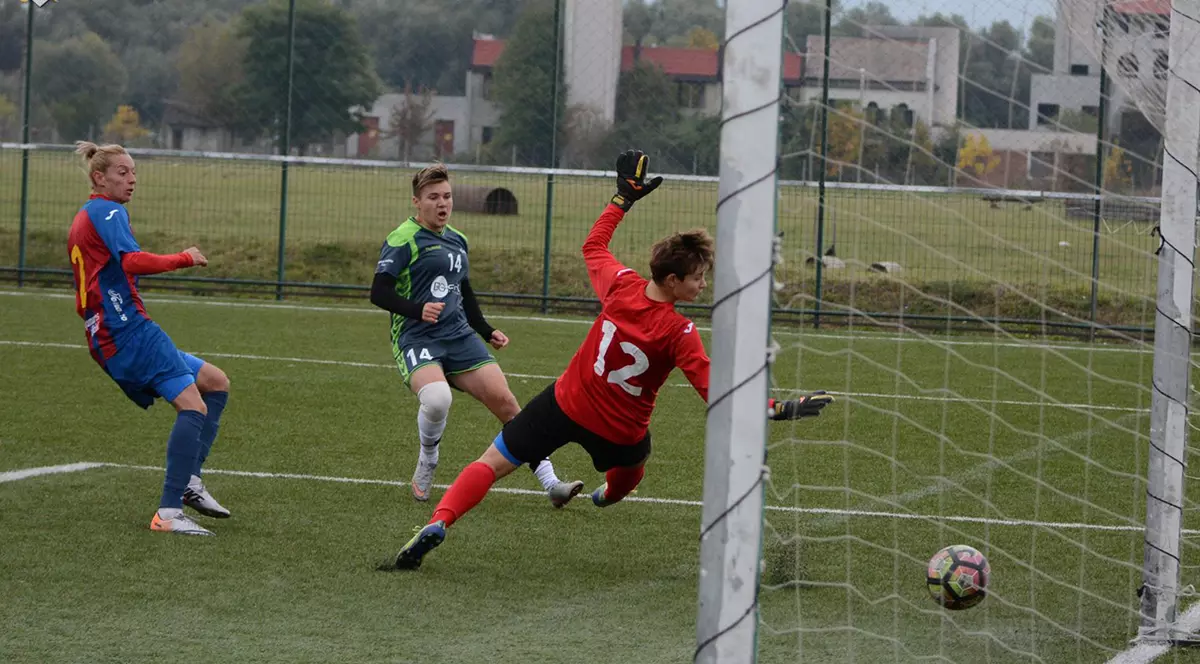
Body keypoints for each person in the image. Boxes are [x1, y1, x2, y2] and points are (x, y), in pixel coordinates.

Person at [388, 150, 833, 570]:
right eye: (697, 279)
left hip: (564, 405)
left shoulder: (622, 285)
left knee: (491, 462)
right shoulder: (681, 333)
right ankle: (603, 498)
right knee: (628, 478)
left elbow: (593, 244)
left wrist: (622, 199)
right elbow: (715, 391)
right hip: (620, 432)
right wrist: (775, 408)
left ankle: (440, 520)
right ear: (673, 280)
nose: (702, 285)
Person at [370, 163, 582, 507]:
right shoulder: (402, 239)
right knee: (438, 399)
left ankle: (552, 483)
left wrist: (486, 330)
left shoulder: (458, 240)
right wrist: (416, 309)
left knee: (509, 405)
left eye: (447, 196)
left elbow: (463, 292)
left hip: (458, 336)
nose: (443, 203)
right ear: (417, 202)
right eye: (433, 197)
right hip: (416, 337)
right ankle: (428, 459)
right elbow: (379, 292)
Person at [67, 141, 232, 537]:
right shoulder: (107, 210)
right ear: (98, 178)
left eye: (134, 171)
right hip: (127, 330)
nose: (132, 179)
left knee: (215, 383)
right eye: (122, 172)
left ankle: (190, 481)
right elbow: (132, 260)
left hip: (114, 332)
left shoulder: (89, 215)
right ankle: (169, 512)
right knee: (193, 407)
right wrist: (183, 258)